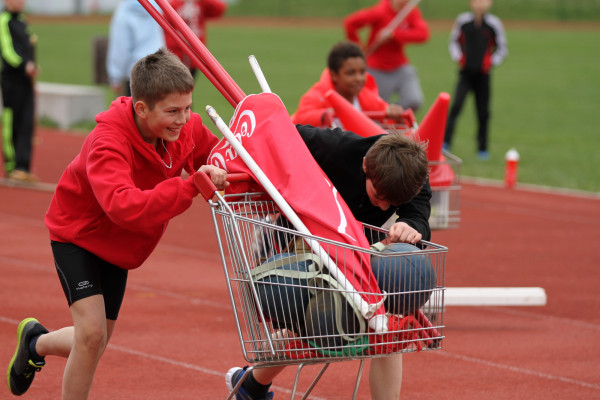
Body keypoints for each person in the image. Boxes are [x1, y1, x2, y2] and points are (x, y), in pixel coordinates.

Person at [5, 49, 228, 398]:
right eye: (172, 111)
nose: (183, 119)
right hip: (78, 236)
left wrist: (240, 170)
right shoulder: (107, 142)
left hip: (120, 244)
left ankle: (36, 343)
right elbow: (123, 206)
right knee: (91, 336)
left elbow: (221, 158)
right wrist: (190, 187)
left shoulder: (187, 128)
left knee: (96, 342)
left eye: (188, 107)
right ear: (142, 108)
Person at [226, 127, 432, 400]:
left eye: (393, 203)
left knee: (386, 321)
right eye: (379, 196)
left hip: (357, 251)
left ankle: (250, 385)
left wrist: (410, 224)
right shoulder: (337, 148)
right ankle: (250, 385)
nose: (384, 208)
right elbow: (281, 133)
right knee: (324, 319)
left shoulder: (412, 178)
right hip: (305, 241)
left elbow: (418, 211)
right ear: (365, 167)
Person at [443, 0, 507, 160]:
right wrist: (460, 58)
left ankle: (482, 148)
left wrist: (490, 62)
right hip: (465, 74)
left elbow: (502, 48)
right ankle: (445, 141)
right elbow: (454, 42)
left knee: (483, 112)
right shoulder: (463, 21)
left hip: (483, 76)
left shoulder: (494, 24)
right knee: (456, 106)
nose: (480, 4)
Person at [292, 41, 406, 129]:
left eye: (362, 72)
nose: (359, 78)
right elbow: (299, 119)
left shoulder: (366, 96)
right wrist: (326, 114)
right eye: (351, 73)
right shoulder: (318, 96)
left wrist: (395, 116)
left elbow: (390, 122)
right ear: (334, 75)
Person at [344, 0, 429, 112]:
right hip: (377, 69)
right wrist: (359, 49)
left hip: (400, 66)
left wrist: (395, 35)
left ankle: (391, 114)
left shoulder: (410, 11)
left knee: (414, 100)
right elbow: (350, 23)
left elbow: (422, 34)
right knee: (373, 108)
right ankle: (386, 115)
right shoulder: (380, 11)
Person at [0, 0, 39, 182]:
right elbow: (7, 50)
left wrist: (32, 67)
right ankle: (12, 165)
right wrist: (24, 65)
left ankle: (23, 166)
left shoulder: (22, 20)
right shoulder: (3, 20)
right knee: (11, 121)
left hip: (26, 80)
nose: (22, 2)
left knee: (27, 122)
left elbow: (29, 48)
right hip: (11, 80)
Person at [106, 0, 165, 97]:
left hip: (135, 72)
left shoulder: (124, 11)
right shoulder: (158, 6)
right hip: (160, 67)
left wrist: (115, 77)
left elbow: (121, 48)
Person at [165, 0, 227, 79]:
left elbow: (219, 9)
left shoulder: (200, 4)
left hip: (196, 54)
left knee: (189, 83)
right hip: (176, 55)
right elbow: (165, 27)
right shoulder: (173, 4)